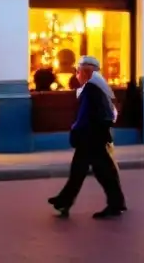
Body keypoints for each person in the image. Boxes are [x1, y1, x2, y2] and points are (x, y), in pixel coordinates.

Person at [48, 56, 126, 219]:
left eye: (78, 71)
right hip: (95, 135)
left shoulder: (91, 89)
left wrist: (75, 130)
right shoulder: (98, 86)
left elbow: (84, 115)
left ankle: (115, 203)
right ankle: (65, 200)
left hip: (90, 137)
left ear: (86, 72)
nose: (77, 75)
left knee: (100, 170)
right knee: (86, 169)